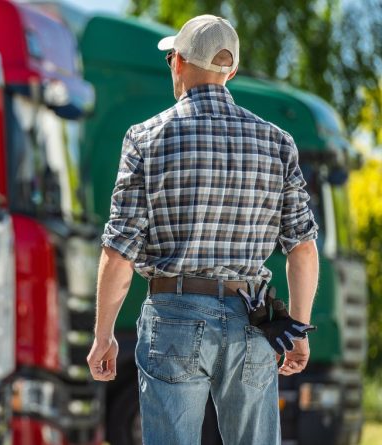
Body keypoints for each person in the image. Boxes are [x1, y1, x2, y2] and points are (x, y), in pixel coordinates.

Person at [86, 14, 320, 445]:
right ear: (230, 72)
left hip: (173, 318)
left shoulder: (145, 138)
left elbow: (119, 250)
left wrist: (103, 336)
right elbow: (301, 249)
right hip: (252, 321)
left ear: (177, 62)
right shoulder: (277, 142)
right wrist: (299, 330)